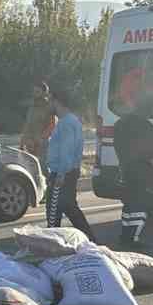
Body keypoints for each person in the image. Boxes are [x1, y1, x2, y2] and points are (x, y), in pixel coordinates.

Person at [113, 96, 153, 248]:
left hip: (127, 170)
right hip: (143, 172)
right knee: (140, 205)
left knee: (129, 204)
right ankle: (133, 239)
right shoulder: (146, 127)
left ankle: (126, 235)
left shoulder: (119, 124)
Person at [43, 89, 93, 236]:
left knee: (54, 211)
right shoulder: (70, 121)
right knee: (69, 208)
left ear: (56, 102)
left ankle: (54, 241)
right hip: (68, 172)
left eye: (49, 101)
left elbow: (66, 151)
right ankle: (90, 240)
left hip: (62, 173)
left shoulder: (66, 123)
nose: (48, 105)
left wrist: (60, 175)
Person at [21, 80, 57, 201]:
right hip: (31, 143)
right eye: (34, 91)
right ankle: (40, 193)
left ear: (44, 92)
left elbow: (52, 125)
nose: (35, 93)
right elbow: (27, 125)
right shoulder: (32, 106)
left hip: (44, 143)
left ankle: (52, 192)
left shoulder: (49, 106)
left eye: (37, 91)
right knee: (33, 168)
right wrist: (23, 141)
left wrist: (42, 138)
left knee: (44, 168)